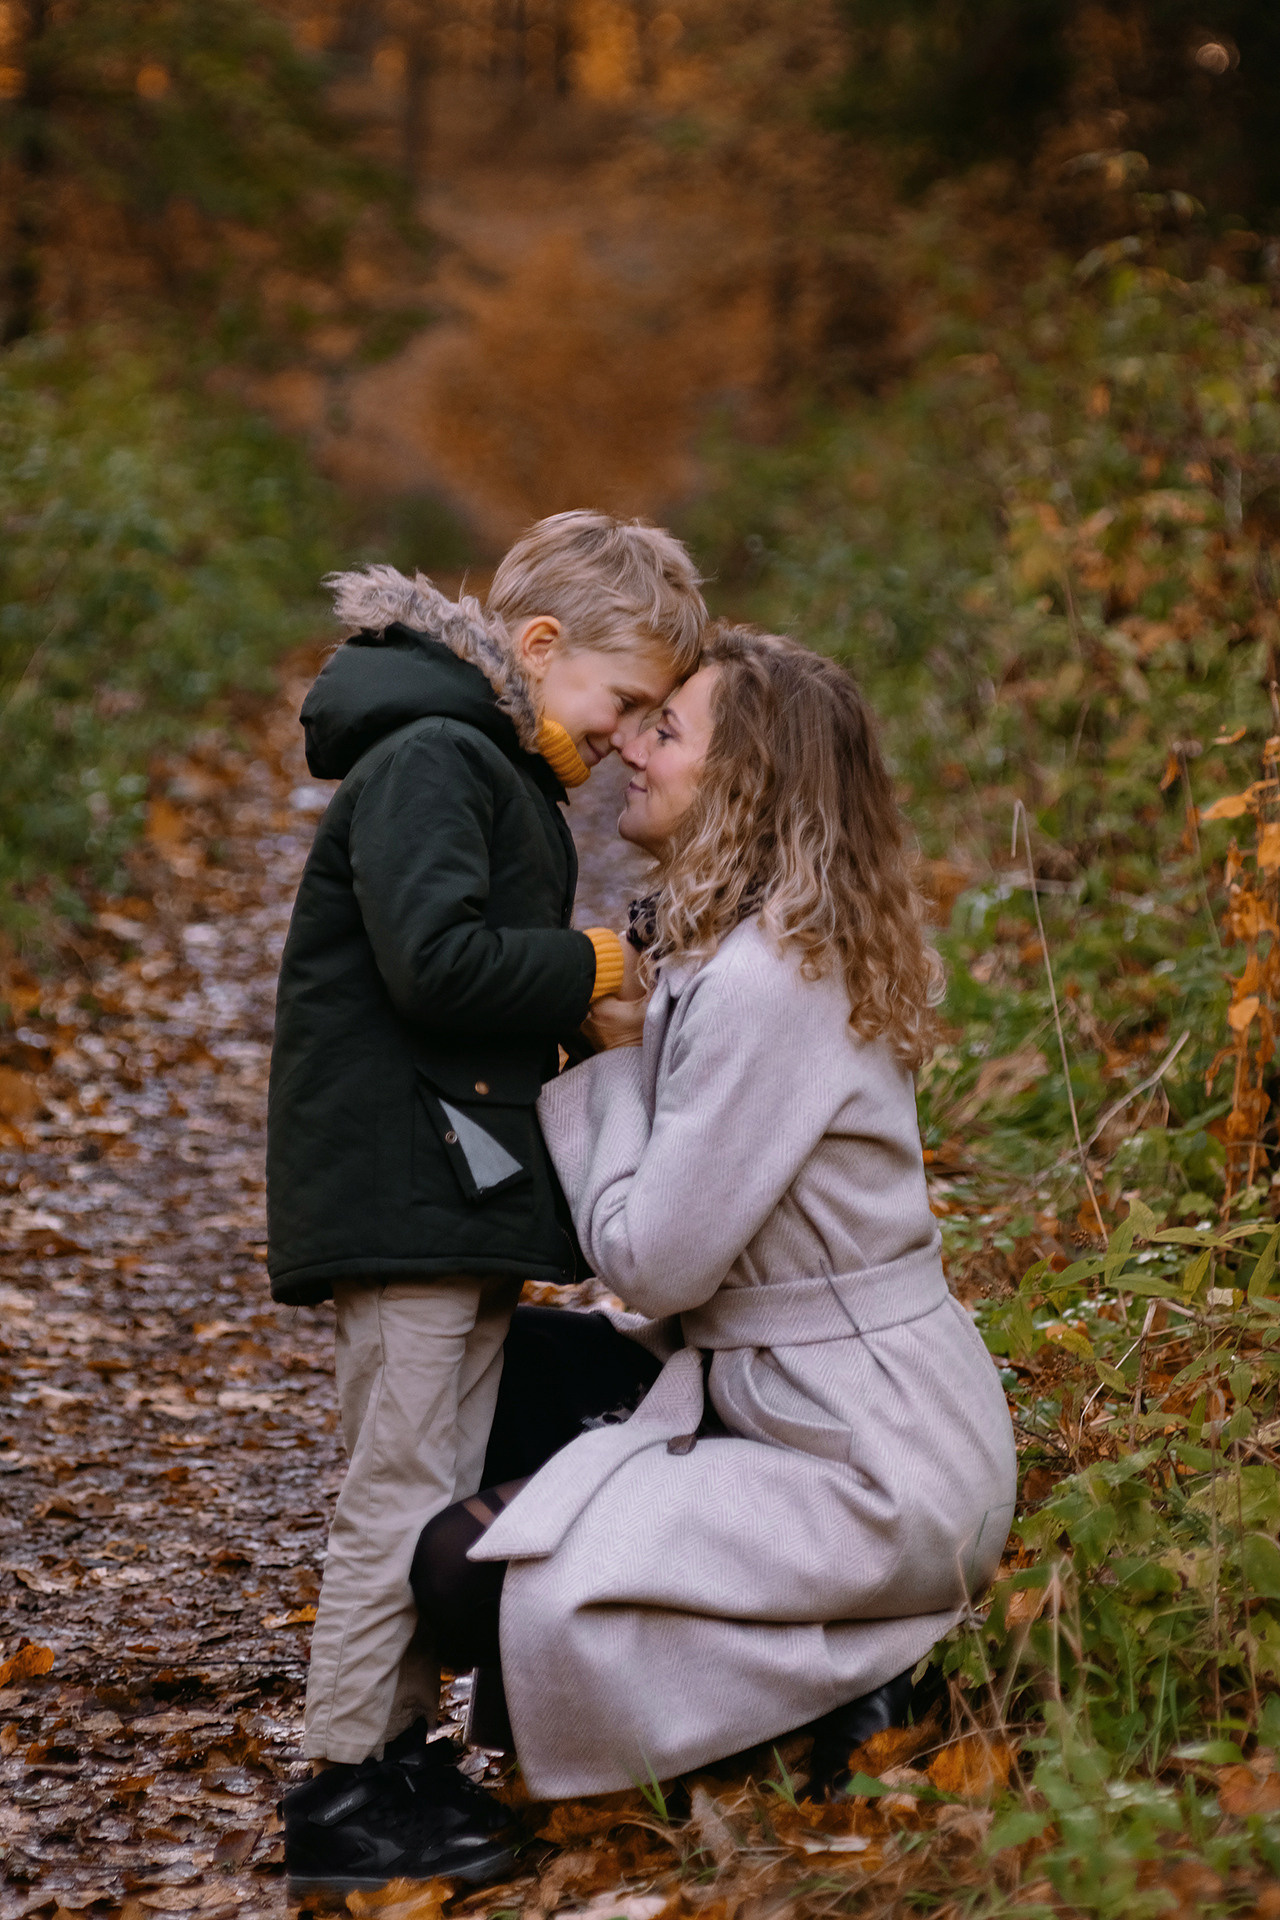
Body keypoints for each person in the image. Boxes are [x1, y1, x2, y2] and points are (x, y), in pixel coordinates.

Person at [406, 624, 1018, 1817]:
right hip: (790, 1394)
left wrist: (613, 1062)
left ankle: (856, 1678)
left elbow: (651, 1263)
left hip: (869, 1460)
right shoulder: (739, 951)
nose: (628, 748)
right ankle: (782, 1679)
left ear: (745, 782)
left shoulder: (766, 983)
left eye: (666, 730)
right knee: (479, 1366)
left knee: (457, 1573)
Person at [270, 511, 706, 1894]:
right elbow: (437, 965)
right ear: (539, 644)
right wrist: (593, 965)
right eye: (621, 700)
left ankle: (401, 1759)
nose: (626, 737)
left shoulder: (490, 769)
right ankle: (344, 1787)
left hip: (451, 1179)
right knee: (400, 1487)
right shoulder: (437, 757)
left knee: (435, 1479)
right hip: (404, 1181)